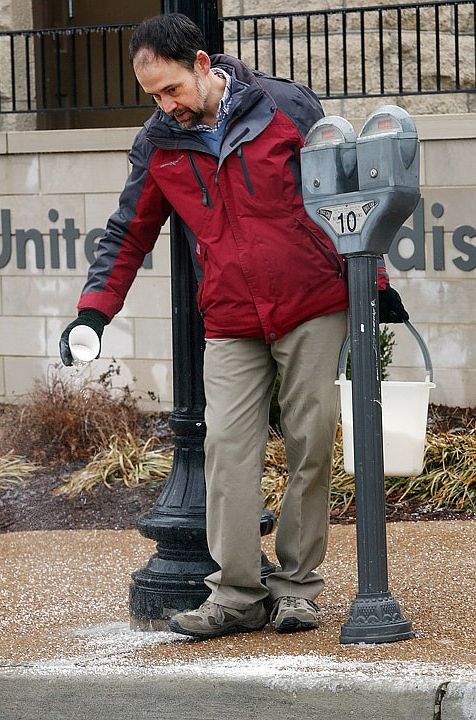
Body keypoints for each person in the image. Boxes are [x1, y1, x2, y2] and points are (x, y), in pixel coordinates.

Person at [59, 13, 409, 639]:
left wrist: (373, 285)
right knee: (226, 450)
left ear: (200, 64)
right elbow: (127, 232)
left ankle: (298, 589)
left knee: (309, 441)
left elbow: (342, 192)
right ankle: (238, 594)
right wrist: (94, 309)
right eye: (153, 98)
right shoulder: (159, 143)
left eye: (171, 89)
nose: (166, 107)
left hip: (310, 302)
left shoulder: (284, 106)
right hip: (230, 316)